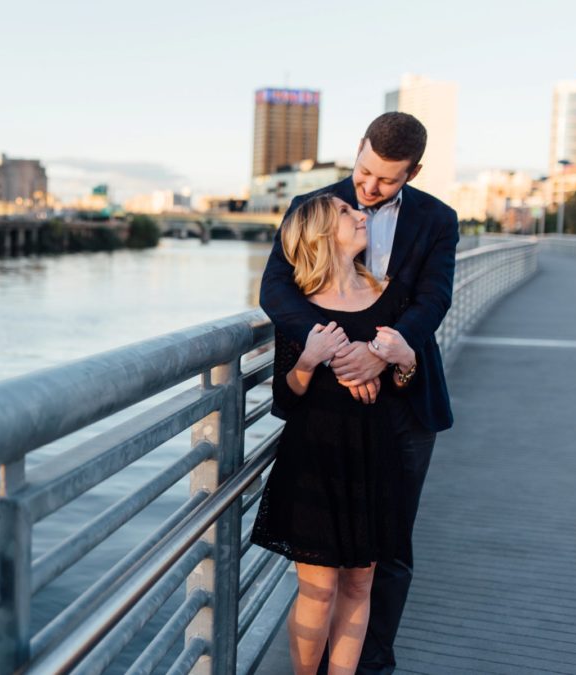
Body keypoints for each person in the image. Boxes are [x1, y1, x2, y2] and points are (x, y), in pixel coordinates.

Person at [259, 112, 459, 674]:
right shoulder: (316, 207)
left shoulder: (438, 219)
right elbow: (275, 289)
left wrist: (380, 352)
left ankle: (371, 667)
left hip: (405, 402)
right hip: (327, 412)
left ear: (412, 172)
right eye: (366, 171)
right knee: (324, 571)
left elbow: (432, 300)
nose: (370, 189)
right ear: (359, 148)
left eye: (387, 180)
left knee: (388, 552)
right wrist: (346, 353)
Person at [251, 193, 416, 674]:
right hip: (316, 459)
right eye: (345, 213)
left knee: (361, 583)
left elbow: (406, 386)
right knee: (318, 589)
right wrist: (308, 358)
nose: (360, 215)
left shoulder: (390, 294)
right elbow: (286, 398)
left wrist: (404, 358)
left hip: (372, 455)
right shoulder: (298, 309)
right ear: (322, 234)